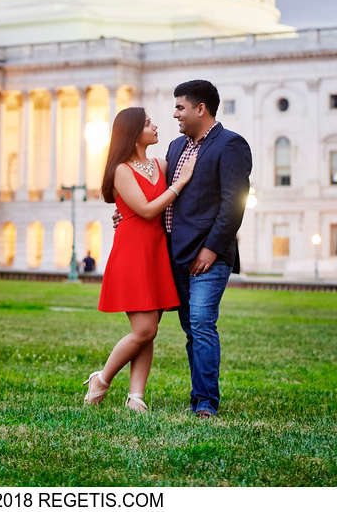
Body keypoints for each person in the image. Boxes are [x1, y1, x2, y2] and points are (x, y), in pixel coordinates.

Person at [114, 79, 252, 419]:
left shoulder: (230, 145)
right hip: (173, 255)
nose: (174, 114)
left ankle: (206, 403)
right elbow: (157, 193)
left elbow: (233, 204)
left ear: (200, 109)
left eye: (180, 107)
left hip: (208, 257)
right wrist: (126, 213)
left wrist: (211, 249)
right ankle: (195, 396)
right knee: (191, 329)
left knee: (203, 324)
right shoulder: (175, 148)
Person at [83, 107, 197, 412]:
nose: (156, 125)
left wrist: (178, 180)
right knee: (144, 330)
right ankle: (102, 378)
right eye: (148, 123)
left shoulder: (160, 164)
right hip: (132, 252)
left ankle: (136, 397)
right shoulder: (121, 169)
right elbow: (146, 210)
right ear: (134, 133)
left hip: (157, 251)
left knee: (150, 329)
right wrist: (180, 182)